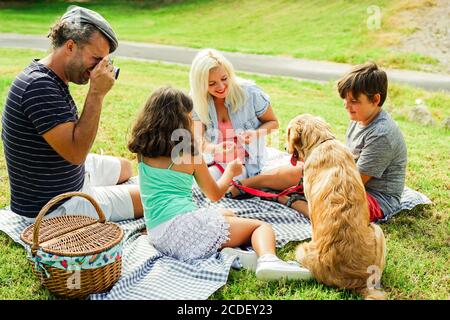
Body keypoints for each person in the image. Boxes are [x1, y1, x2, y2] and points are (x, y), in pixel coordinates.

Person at [127, 86, 311, 281]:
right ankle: (269, 260)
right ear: (180, 122)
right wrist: (231, 171)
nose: (192, 123)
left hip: (157, 234)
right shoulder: (191, 156)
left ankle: (237, 255)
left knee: (227, 214)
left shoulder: (142, 151)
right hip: (183, 232)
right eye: (190, 119)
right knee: (260, 227)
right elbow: (214, 194)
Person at [1, 6, 142, 222]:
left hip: (66, 177)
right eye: (96, 59)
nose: (99, 68)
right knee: (151, 199)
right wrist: (96, 93)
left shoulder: (50, 77)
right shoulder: (39, 87)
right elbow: (77, 154)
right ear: (70, 46)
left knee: (126, 167)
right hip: (55, 206)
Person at [227, 62, 407, 223]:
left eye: (353, 101)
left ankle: (290, 201)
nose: (346, 105)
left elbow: (353, 184)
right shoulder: (360, 117)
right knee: (299, 170)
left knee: (334, 209)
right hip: (348, 177)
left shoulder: (381, 135)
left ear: (375, 100)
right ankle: (245, 185)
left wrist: (317, 180)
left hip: (371, 197)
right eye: (345, 99)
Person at [189, 48, 279, 181]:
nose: (221, 87)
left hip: (249, 164)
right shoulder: (197, 100)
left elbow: (274, 123)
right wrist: (215, 148)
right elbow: (198, 139)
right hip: (216, 163)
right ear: (201, 85)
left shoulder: (251, 94)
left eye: (224, 78)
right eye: (212, 84)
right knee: (199, 183)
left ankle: (246, 185)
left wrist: (255, 134)